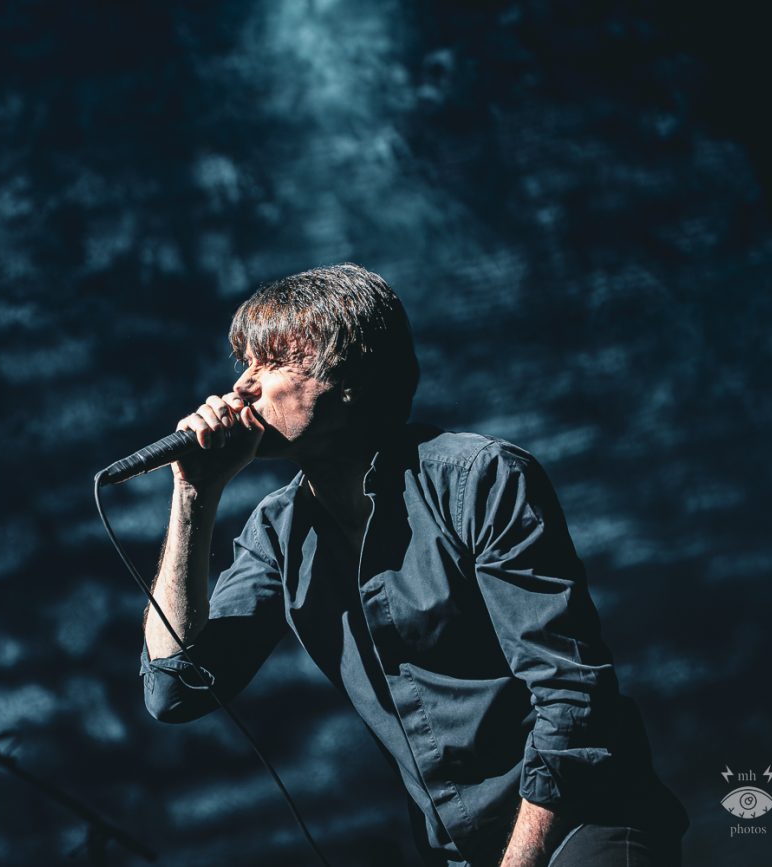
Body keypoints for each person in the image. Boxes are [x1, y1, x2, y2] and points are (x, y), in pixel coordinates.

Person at [139, 264, 689, 866]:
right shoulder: (277, 530)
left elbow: (573, 698)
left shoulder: (479, 478)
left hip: (582, 817)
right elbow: (176, 691)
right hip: (457, 846)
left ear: (349, 376)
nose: (241, 388)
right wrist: (193, 496)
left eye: (270, 362)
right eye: (244, 365)